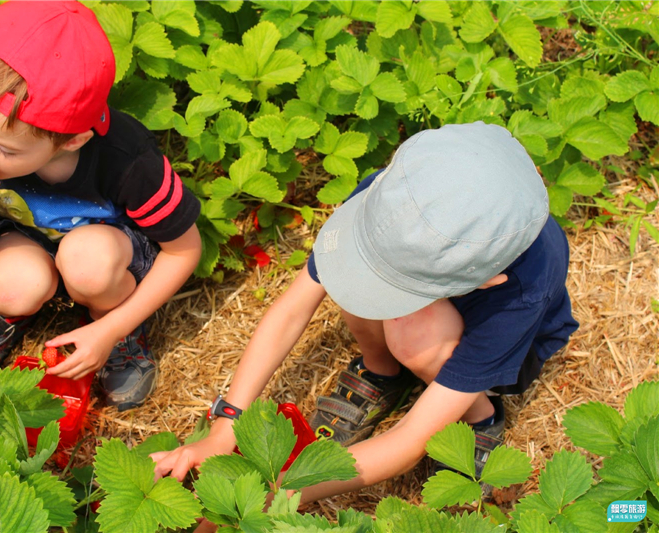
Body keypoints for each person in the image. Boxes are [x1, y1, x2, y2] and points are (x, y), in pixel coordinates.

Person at [152, 122, 578, 506]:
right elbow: (292, 310)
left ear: (485, 280)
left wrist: (283, 491)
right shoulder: (395, 201)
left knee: (416, 337)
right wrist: (227, 422)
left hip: (502, 344)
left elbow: (409, 440)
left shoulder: (520, 290)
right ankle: (382, 373)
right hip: (441, 298)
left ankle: (480, 417)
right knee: (351, 276)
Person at [0, 1, 202, 411]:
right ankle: (3, 313)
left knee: (88, 262)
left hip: (106, 255)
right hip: (23, 243)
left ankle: (113, 322)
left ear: (73, 140)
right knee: (11, 286)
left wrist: (112, 328)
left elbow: (184, 251)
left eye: (5, 149)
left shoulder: (126, 159)